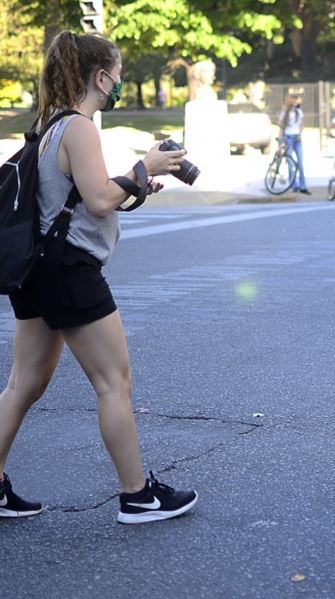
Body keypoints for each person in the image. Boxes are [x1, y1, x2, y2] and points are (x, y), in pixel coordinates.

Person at [0, 31, 198, 524]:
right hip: (70, 271)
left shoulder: (49, 124)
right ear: (101, 76)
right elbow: (98, 199)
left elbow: (86, 197)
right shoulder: (80, 128)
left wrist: (136, 185)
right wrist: (143, 166)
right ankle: (138, 497)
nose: (120, 80)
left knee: (22, 384)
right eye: (118, 71)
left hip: (37, 270)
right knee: (114, 383)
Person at [279, 94, 310, 195]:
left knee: (300, 162)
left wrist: (300, 133)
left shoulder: (299, 112)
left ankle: (303, 185)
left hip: (297, 138)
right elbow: (281, 128)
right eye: (295, 102)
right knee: (291, 163)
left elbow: (301, 124)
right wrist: (280, 142)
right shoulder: (284, 113)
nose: (297, 104)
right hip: (288, 138)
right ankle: (293, 184)